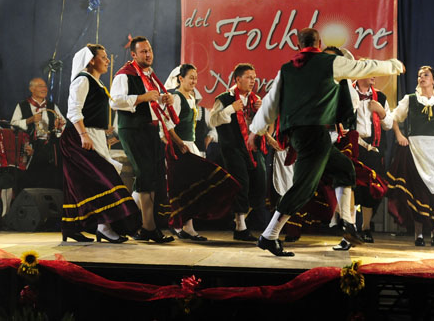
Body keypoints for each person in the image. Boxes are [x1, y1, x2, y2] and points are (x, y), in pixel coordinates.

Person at [249, 28, 405, 257]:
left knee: (344, 169)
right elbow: (363, 67)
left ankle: (347, 224)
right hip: (315, 133)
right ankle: (269, 236)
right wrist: (392, 65)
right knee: (303, 188)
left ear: (299, 44)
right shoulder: (329, 63)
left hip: (299, 135)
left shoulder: (286, 69)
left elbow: (271, 103)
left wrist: (256, 131)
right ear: (320, 43)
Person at [60, 44, 140, 243]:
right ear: (91, 60)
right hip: (78, 137)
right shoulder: (82, 80)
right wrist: (84, 135)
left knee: (78, 185)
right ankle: (104, 227)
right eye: (103, 57)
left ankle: (71, 226)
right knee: (104, 178)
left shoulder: (95, 81)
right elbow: (73, 111)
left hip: (92, 134)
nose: (107, 61)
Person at [387, 66, 434, 247]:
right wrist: (399, 135)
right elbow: (393, 118)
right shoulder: (410, 100)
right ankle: (419, 234)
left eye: (426, 75)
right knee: (418, 192)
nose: (421, 78)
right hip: (416, 150)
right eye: (419, 75)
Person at [109, 36, 175, 243]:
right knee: (145, 174)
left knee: (154, 175)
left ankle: (140, 223)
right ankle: (149, 227)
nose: (148, 55)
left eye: (150, 51)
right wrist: (142, 98)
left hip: (150, 129)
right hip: (133, 129)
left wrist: (165, 100)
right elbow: (115, 101)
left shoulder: (150, 76)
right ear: (134, 54)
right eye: (143, 52)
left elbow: (153, 105)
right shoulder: (125, 75)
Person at [165, 64, 240, 241]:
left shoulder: (190, 98)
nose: (194, 81)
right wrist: (178, 143)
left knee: (192, 188)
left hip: (190, 146)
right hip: (180, 147)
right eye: (190, 77)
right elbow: (167, 124)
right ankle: (183, 227)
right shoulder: (175, 97)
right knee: (185, 187)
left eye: (195, 78)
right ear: (180, 79)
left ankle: (186, 227)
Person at [211, 63, 266, 242]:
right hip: (232, 147)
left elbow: (263, 126)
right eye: (249, 77)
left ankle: (239, 219)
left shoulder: (255, 99)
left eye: (254, 77)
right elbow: (213, 120)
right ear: (237, 79)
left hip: (252, 147)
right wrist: (230, 109)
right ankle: (240, 226)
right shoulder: (224, 98)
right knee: (241, 181)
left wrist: (261, 111)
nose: (253, 81)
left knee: (260, 181)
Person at [353, 74, 394, 243]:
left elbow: (389, 125)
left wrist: (381, 111)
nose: (374, 76)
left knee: (372, 188)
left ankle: (366, 227)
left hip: (373, 148)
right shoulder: (347, 93)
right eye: (370, 72)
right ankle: (349, 227)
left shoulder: (381, 96)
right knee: (351, 187)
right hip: (352, 145)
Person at [11, 78, 65, 190]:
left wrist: (58, 126)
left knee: (49, 179)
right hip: (30, 146)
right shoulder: (22, 106)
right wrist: (29, 120)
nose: (44, 89)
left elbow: (62, 126)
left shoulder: (52, 107)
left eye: (45, 86)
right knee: (30, 179)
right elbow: (13, 125)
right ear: (31, 89)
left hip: (48, 147)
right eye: (40, 86)